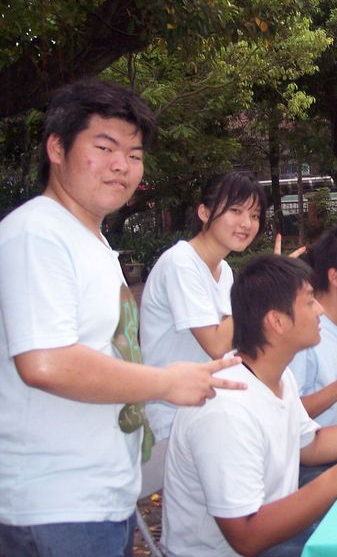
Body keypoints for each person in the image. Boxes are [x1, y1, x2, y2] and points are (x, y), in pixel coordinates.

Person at [0, 79, 244, 556]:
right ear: (57, 147)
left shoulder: (89, 241)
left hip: (97, 496)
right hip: (54, 503)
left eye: (134, 154)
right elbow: (44, 362)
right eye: (104, 146)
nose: (122, 165)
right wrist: (165, 383)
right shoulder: (36, 233)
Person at [161, 254, 337, 557]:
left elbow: (311, 444)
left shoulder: (278, 376)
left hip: (275, 533)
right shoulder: (225, 407)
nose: (320, 310)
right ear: (277, 321)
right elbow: (246, 537)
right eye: (310, 302)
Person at [141, 172, 268, 442]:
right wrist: (263, 290)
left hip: (208, 412)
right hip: (172, 420)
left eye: (255, 215)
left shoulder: (224, 272)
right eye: (236, 210)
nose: (247, 223)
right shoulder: (181, 263)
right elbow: (216, 344)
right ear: (203, 212)